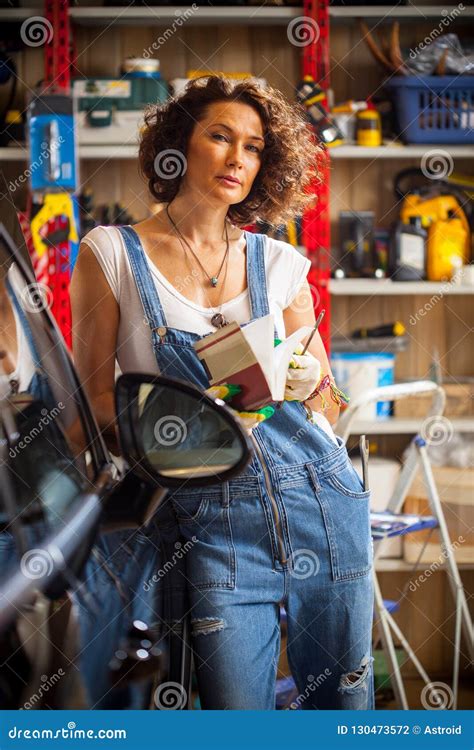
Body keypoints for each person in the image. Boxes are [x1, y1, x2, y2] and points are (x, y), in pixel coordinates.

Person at [71, 75, 374, 710]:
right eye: (220, 136)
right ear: (178, 145)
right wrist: (181, 425)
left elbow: (329, 403)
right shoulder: (112, 253)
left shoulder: (278, 262)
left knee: (345, 709)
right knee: (238, 712)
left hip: (321, 501)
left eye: (256, 147)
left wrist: (308, 380)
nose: (239, 157)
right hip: (211, 523)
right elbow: (93, 403)